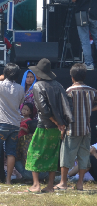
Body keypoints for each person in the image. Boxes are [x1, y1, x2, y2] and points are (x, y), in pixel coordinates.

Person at [26, 58, 73, 193]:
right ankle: (50, 185)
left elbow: (44, 110)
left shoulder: (38, 86)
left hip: (45, 125)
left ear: (39, 74)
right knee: (53, 155)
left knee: (34, 152)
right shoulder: (58, 85)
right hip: (58, 128)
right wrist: (61, 123)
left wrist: (56, 121)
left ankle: (36, 185)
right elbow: (67, 104)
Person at [57, 63, 96, 192]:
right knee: (84, 156)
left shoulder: (69, 91)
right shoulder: (92, 91)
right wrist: (89, 110)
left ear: (72, 77)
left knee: (66, 155)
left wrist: (62, 128)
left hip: (71, 129)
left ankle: (63, 182)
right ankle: (80, 183)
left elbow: (64, 111)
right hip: (86, 129)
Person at [69, 0, 97, 70]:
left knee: (85, 40)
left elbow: (74, 0)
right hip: (94, 14)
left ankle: (89, 64)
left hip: (82, 15)